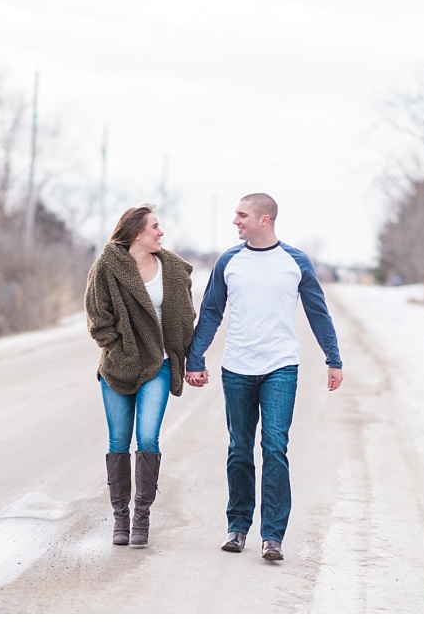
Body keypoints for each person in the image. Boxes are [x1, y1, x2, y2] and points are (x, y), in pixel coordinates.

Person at [185, 192, 343, 561]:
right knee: (239, 449)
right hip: (237, 368)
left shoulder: (295, 262)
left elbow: (318, 313)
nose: (235, 221)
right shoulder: (229, 261)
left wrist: (333, 358)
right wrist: (195, 357)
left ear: (264, 219)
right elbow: (210, 312)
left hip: (280, 368)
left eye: (242, 215)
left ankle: (273, 536)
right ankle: (237, 528)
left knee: (274, 447)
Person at [85, 205, 196, 547]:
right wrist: (118, 349)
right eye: (155, 227)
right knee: (118, 441)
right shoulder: (107, 266)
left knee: (147, 438)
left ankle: (142, 519)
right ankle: (120, 518)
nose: (161, 233)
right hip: (119, 366)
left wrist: (189, 357)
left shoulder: (173, 269)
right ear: (136, 232)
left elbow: (185, 316)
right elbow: (96, 316)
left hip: (159, 365)